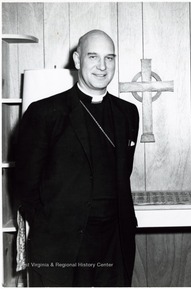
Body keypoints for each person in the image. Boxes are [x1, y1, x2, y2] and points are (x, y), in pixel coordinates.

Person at [15, 29, 139, 287]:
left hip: (113, 244)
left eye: (110, 58)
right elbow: (25, 186)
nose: (102, 66)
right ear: (77, 59)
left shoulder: (128, 113)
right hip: (61, 245)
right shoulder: (45, 112)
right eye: (93, 57)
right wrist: (50, 225)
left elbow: (122, 172)